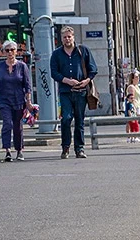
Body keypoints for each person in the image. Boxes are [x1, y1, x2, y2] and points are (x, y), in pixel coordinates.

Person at [50, 26, 97, 159]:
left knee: (79, 121)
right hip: (65, 91)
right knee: (66, 118)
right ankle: (65, 147)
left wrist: (86, 81)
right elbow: (54, 72)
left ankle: (79, 149)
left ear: (73, 37)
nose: (67, 39)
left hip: (81, 91)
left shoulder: (83, 51)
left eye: (69, 36)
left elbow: (93, 69)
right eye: (64, 37)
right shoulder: (56, 54)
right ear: (61, 38)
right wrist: (66, 80)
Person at [0, 40, 32, 162]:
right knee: (7, 124)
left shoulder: (22, 66)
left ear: (16, 51)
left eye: (12, 50)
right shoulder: (0, 66)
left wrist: (28, 101)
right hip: (4, 100)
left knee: (17, 126)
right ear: (4, 52)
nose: (10, 52)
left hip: (18, 100)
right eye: (7, 50)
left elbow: (27, 85)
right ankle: (7, 151)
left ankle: (19, 150)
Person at [124, 71, 140, 143]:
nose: (138, 79)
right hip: (133, 106)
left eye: (138, 77)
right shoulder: (131, 87)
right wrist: (132, 108)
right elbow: (131, 98)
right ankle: (132, 137)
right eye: (136, 77)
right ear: (132, 79)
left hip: (138, 106)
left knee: (135, 122)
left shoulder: (136, 86)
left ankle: (133, 136)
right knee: (131, 122)